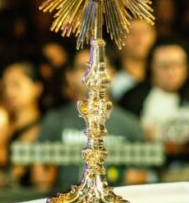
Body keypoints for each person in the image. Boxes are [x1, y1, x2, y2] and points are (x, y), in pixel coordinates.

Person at [36, 53, 145, 192]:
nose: (93, 73)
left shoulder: (131, 125)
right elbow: (40, 179)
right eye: (84, 67)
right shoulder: (54, 121)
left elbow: (139, 177)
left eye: (100, 67)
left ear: (112, 74)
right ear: (70, 76)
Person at [120, 41, 189, 155]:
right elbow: (122, 140)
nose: (171, 72)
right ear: (151, 66)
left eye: (177, 65)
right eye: (165, 66)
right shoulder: (134, 98)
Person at [111, 19, 156, 100]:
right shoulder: (109, 80)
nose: (139, 38)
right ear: (117, 39)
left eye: (144, 32)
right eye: (131, 32)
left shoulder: (161, 79)